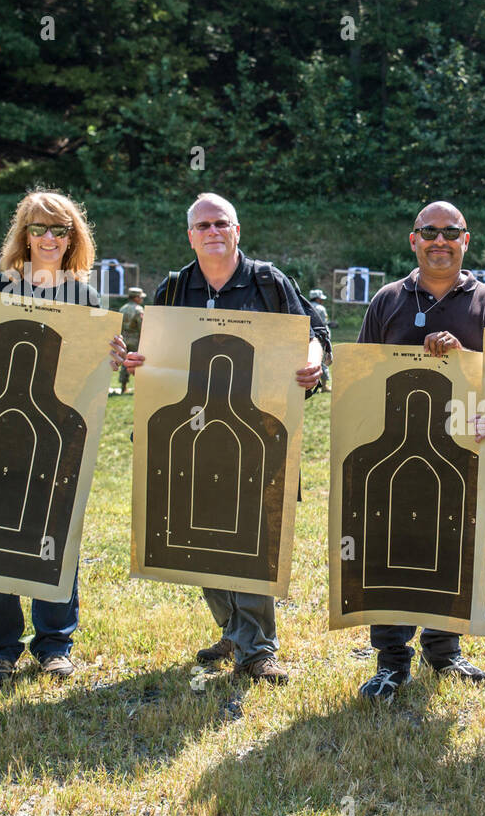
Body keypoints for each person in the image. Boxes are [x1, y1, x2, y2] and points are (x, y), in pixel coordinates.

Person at [120, 192, 331, 684]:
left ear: (237, 230)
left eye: (221, 223)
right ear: (190, 235)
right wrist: (135, 362)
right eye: (203, 225)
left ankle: (257, 650)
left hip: (254, 431)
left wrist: (314, 360)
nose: (213, 231)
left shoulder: (267, 282)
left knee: (251, 533)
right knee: (196, 535)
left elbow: (315, 332)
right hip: (189, 433)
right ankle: (234, 630)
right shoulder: (174, 288)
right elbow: (155, 353)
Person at [0, 188, 126, 685]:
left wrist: (113, 358)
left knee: (55, 536)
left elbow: (88, 370)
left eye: (61, 230)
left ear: (72, 237)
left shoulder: (85, 296)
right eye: (39, 228)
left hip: (55, 435)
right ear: (25, 234)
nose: (50, 238)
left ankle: (54, 645)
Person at [353, 200, 485, 703]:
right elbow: (361, 373)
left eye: (451, 232)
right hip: (393, 451)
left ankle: (445, 650)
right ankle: (391, 660)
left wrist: (466, 357)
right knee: (391, 548)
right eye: (430, 231)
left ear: (466, 240)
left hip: (462, 452)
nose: (440, 240)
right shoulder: (386, 299)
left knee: (455, 549)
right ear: (413, 240)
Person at [115, 286, 145, 394]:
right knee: (139, 362)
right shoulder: (139, 309)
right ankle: (141, 387)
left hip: (124, 338)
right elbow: (142, 326)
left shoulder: (122, 308)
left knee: (125, 362)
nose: (142, 299)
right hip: (136, 339)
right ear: (136, 298)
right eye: (140, 297)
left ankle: (123, 386)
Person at [308, 288, 332, 391]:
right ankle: (324, 386)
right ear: (317, 299)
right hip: (320, 337)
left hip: (308, 336)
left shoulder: (306, 306)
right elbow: (324, 323)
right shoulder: (321, 308)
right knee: (323, 360)